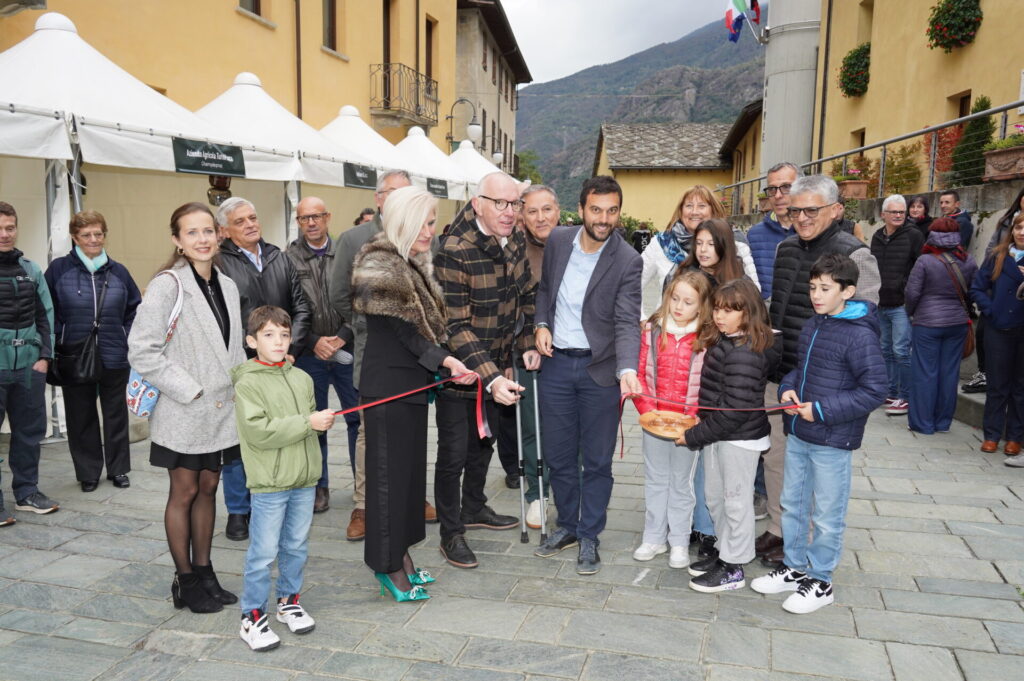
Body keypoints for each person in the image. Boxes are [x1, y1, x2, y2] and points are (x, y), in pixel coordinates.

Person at [351, 186, 476, 600]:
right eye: (425, 222)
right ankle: (387, 567)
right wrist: (446, 361)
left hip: (410, 387)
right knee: (387, 482)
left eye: (433, 221)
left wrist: (445, 361)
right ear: (404, 220)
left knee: (406, 481)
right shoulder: (378, 263)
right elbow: (405, 332)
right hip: (388, 387)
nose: (431, 230)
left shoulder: (409, 261)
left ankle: (401, 556)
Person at [128, 202, 245, 613]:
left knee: (210, 488)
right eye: (191, 233)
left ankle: (205, 569)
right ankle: (186, 579)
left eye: (208, 231)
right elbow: (141, 349)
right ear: (177, 240)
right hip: (185, 407)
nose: (202, 240)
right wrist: (190, 390)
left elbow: (232, 349)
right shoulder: (167, 285)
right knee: (185, 490)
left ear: (219, 234)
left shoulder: (228, 285)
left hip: (221, 410)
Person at [752, 253, 886, 614]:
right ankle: (795, 567)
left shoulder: (860, 335)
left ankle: (821, 579)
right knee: (793, 504)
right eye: (812, 287)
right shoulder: (814, 324)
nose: (815, 294)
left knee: (826, 512)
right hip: (799, 431)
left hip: (832, 439)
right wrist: (788, 390)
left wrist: (822, 410)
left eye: (825, 288)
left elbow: (874, 390)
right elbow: (800, 369)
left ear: (848, 291)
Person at [759, 175, 880, 566]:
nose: (803, 218)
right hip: (784, 373)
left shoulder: (855, 254)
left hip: (827, 381)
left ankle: (809, 548)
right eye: (796, 210)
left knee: (819, 470)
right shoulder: (786, 248)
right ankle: (781, 531)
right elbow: (778, 306)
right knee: (779, 459)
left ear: (836, 210)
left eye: (812, 210)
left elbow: (865, 318)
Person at [532, 175, 642, 575]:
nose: (604, 218)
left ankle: (590, 534)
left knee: (596, 461)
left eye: (612, 210)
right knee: (560, 457)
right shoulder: (558, 241)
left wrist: (627, 368)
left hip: (600, 372)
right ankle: (567, 526)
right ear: (580, 210)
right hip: (557, 366)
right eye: (596, 210)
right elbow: (544, 290)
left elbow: (628, 320)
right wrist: (541, 324)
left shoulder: (628, 259)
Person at [434, 171, 539, 569]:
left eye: (515, 204)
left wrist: (525, 345)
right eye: (501, 203)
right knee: (453, 455)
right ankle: (450, 532)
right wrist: (492, 376)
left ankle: (474, 506)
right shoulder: (454, 250)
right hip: (461, 373)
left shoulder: (514, 241)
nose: (510, 212)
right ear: (478, 203)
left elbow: (527, 296)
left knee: (485, 443)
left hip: (498, 368)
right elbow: (454, 325)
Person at [329, 170, 436, 542]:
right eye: (393, 193)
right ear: (379, 199)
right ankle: (363, 504)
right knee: (370, 434)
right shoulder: (356, 239)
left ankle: (410, 502)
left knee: (404, 438)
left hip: (413, 365)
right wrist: (370, 321)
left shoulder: (420, 244)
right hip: (374, 352)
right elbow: (340, 294)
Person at [233, 306, 333, 651]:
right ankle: (252, 616)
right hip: (271, 484)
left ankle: (288, 601)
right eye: (269, 335)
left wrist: (317, 421)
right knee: (262, 552)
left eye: (285, 335)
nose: (278, 341)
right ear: (251, 341)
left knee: (296, 546)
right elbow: (258, 432)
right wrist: (308, 423)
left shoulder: (301, 377)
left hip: (304, 479)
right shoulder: (248, 382)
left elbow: (308, 422)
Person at [216, 197, 311, 541]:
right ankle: (239, 511)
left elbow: (301, 307)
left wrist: (290, 350)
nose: (251, 224)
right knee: (240, 439)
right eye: (240, 221)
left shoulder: (279, 257)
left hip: (283, 365)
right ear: (225, 230)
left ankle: (272, 502)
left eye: (253, 217)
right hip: (243, 365)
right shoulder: (218, 263)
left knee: (279, 432)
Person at [682, 279, 779, 592]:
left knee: (736, 502)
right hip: (719, 435)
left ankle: (734, 567)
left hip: (739, 439)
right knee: (716, 497)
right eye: (718, 309)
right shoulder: (726, 342)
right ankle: (725, 554)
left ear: (748, 313)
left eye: (729, 311)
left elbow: (733, 412)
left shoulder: (744, 353)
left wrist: (694, 436)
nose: (720, 316)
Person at [45, 210, 141, 492]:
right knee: (80, 415)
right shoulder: (59, 270)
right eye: (86, 234)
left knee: (116, 414)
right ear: (75, 237)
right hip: (75, 356)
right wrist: (58, 340)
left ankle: (119, 469)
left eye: (98, 233)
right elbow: (47, 311)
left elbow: (134, 309)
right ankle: (88, 472)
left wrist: (127, 337)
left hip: (114, 355)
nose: (93, 239)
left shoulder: (119, 271)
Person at [632, 269, 714, 569]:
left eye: (688, 302)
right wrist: (647, 411)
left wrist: (693, 420)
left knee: (681, 484)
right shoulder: (652, 331)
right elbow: (639, 374)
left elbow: (708, 385)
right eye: (675, 299)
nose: (679, 307)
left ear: (701, 306)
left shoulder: (706, 338)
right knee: (655, 480)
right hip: (654, 422)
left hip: (688, 428)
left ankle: (678, 540)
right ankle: (653, 536)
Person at [285, 197, 359, 514]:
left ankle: (364, 485)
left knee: (359, 419)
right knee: (315, 423)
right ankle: (319, 486)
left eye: (317, 216)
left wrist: (343, 336)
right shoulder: (286, 258)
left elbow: (361, 299)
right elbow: (285, 307)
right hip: (308, 354)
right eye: (305, 218)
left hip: (348, 347)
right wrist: (313, 341)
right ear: (298, 222)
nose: (312, 223)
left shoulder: (347, 253)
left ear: (328, 217)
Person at [0, 201, 58, 523]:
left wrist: (45, 358)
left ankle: (27, 493)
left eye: (10, 227)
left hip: (28, 369)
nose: (5, 234)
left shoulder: (31, 269)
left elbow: (45, 315)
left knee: (28, 434)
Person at [905, 217, 978, 435]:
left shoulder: (925, 261)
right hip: (957, 323)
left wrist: (912, 313)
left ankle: (923, 423)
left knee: (925, 373)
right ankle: (942, 422)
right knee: (949, 373)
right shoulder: (969, 261)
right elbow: (974, 290)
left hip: (928, 323)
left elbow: (912, 293)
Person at [639, 186, 757, 315]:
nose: (694, 211)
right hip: (670, 327)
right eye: (689, 206)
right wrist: (641, 318)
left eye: (702, 206)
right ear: (681, 210)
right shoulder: (663, 243)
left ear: (713, 209)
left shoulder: (734, 242)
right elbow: (632, 284)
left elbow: (753, 294)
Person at [518, 185, 559, 528]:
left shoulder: (576, 245)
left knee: (568, 426)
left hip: (571, 353)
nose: (540, 217)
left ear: (558, 211)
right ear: (522, 215)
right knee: (532, 427)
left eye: (546, 209)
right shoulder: (515, 250)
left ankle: (567, 489)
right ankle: (537, 493)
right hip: (528, 353)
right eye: (532, 211)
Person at [970, 213, 1024, 457]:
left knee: (1020, 387)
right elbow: (977, 288)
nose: (1022, 232)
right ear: (1012, 230)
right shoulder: (997, 255)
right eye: (1019, 227)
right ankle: (991, 435)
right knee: (997, 385)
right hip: (998, 328)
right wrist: (990, 310)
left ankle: (1015, 438)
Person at [869, 195, 924, 417]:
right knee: (885, 350)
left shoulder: (914, 235)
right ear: (883, 214)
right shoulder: (876, 236)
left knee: (901, 351)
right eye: (894, 212)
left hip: (902, 304)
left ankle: (905, 396)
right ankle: (891, 391)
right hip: (881, 302)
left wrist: (908, 292)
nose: (899, 215)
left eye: (902, 212)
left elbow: (921, 268)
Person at [747, 162, 801, 301]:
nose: (777, 195)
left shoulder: (814, 232)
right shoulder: (753, 235)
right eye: (772, 189)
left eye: (786, 187)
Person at [677, 218, 747, 288]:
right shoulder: (685, 278)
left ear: (724, 246)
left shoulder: (741, 280)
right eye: (699, 243)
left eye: (711, 244)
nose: (703, 249)